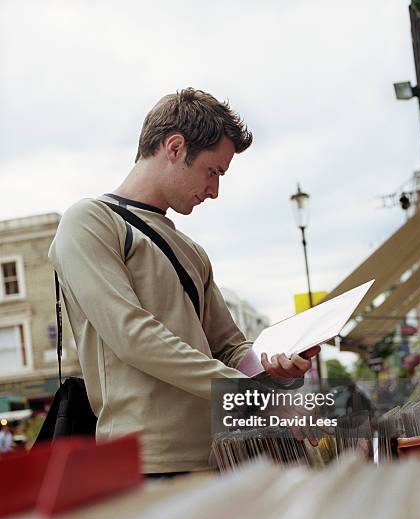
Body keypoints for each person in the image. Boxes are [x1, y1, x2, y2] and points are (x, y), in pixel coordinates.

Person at [49, 88, 320, 476]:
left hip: (222, 457)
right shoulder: (90, 222)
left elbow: (229, 347)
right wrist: (256, 396)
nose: (214, 190)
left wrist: (274, 367)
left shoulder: (192, 250)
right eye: (213, 171)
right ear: (175, 147)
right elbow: (133, 336)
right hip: (145, 462)